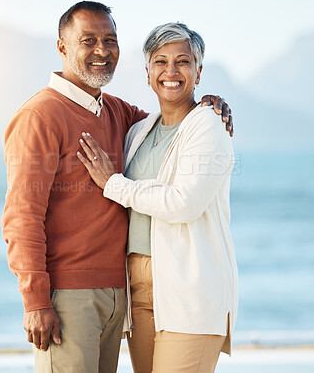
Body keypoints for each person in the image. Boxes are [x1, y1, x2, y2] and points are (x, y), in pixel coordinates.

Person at [1, 1, 233, 373]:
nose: (102, 51)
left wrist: (209, 104)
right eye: (88, 40)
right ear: (62, 46)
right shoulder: (39, 115)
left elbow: (173, 122)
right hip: (68, 295)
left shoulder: (120, 113)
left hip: (120, 296)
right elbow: (21, 217)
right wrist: (35, 301)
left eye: (110, 40)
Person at [77, 22, 238, 373]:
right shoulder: (138, 130)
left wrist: (114, 184)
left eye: (183, 61)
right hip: (140, 291)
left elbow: (184, 202)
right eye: (160, 62)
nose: (171, 71)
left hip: (188, 289)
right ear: (147, 72)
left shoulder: (209, 125)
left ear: (199, 70)